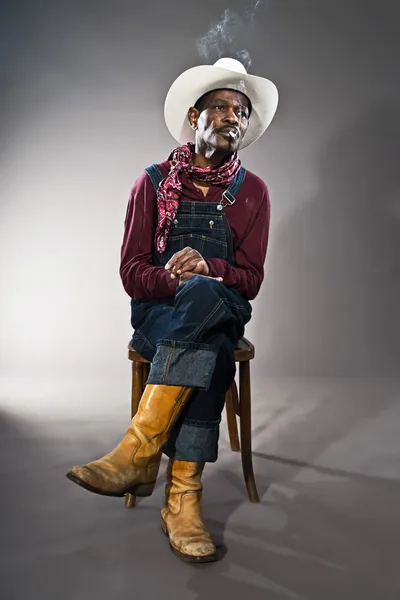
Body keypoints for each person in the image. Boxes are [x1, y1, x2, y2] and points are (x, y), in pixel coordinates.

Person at [66, 57, 279, 563]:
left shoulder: (253, 193)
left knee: (211, 299)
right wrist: (175, 279)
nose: (234, 119)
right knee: (213, 344)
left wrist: (209, 268)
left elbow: (250, 281)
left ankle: (138, 453)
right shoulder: (153, 183)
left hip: (222, 304)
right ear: (194, 115)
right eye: (222, 107)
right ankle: (182, 500)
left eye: (242, 112)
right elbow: (131, 272)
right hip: (159, 314)